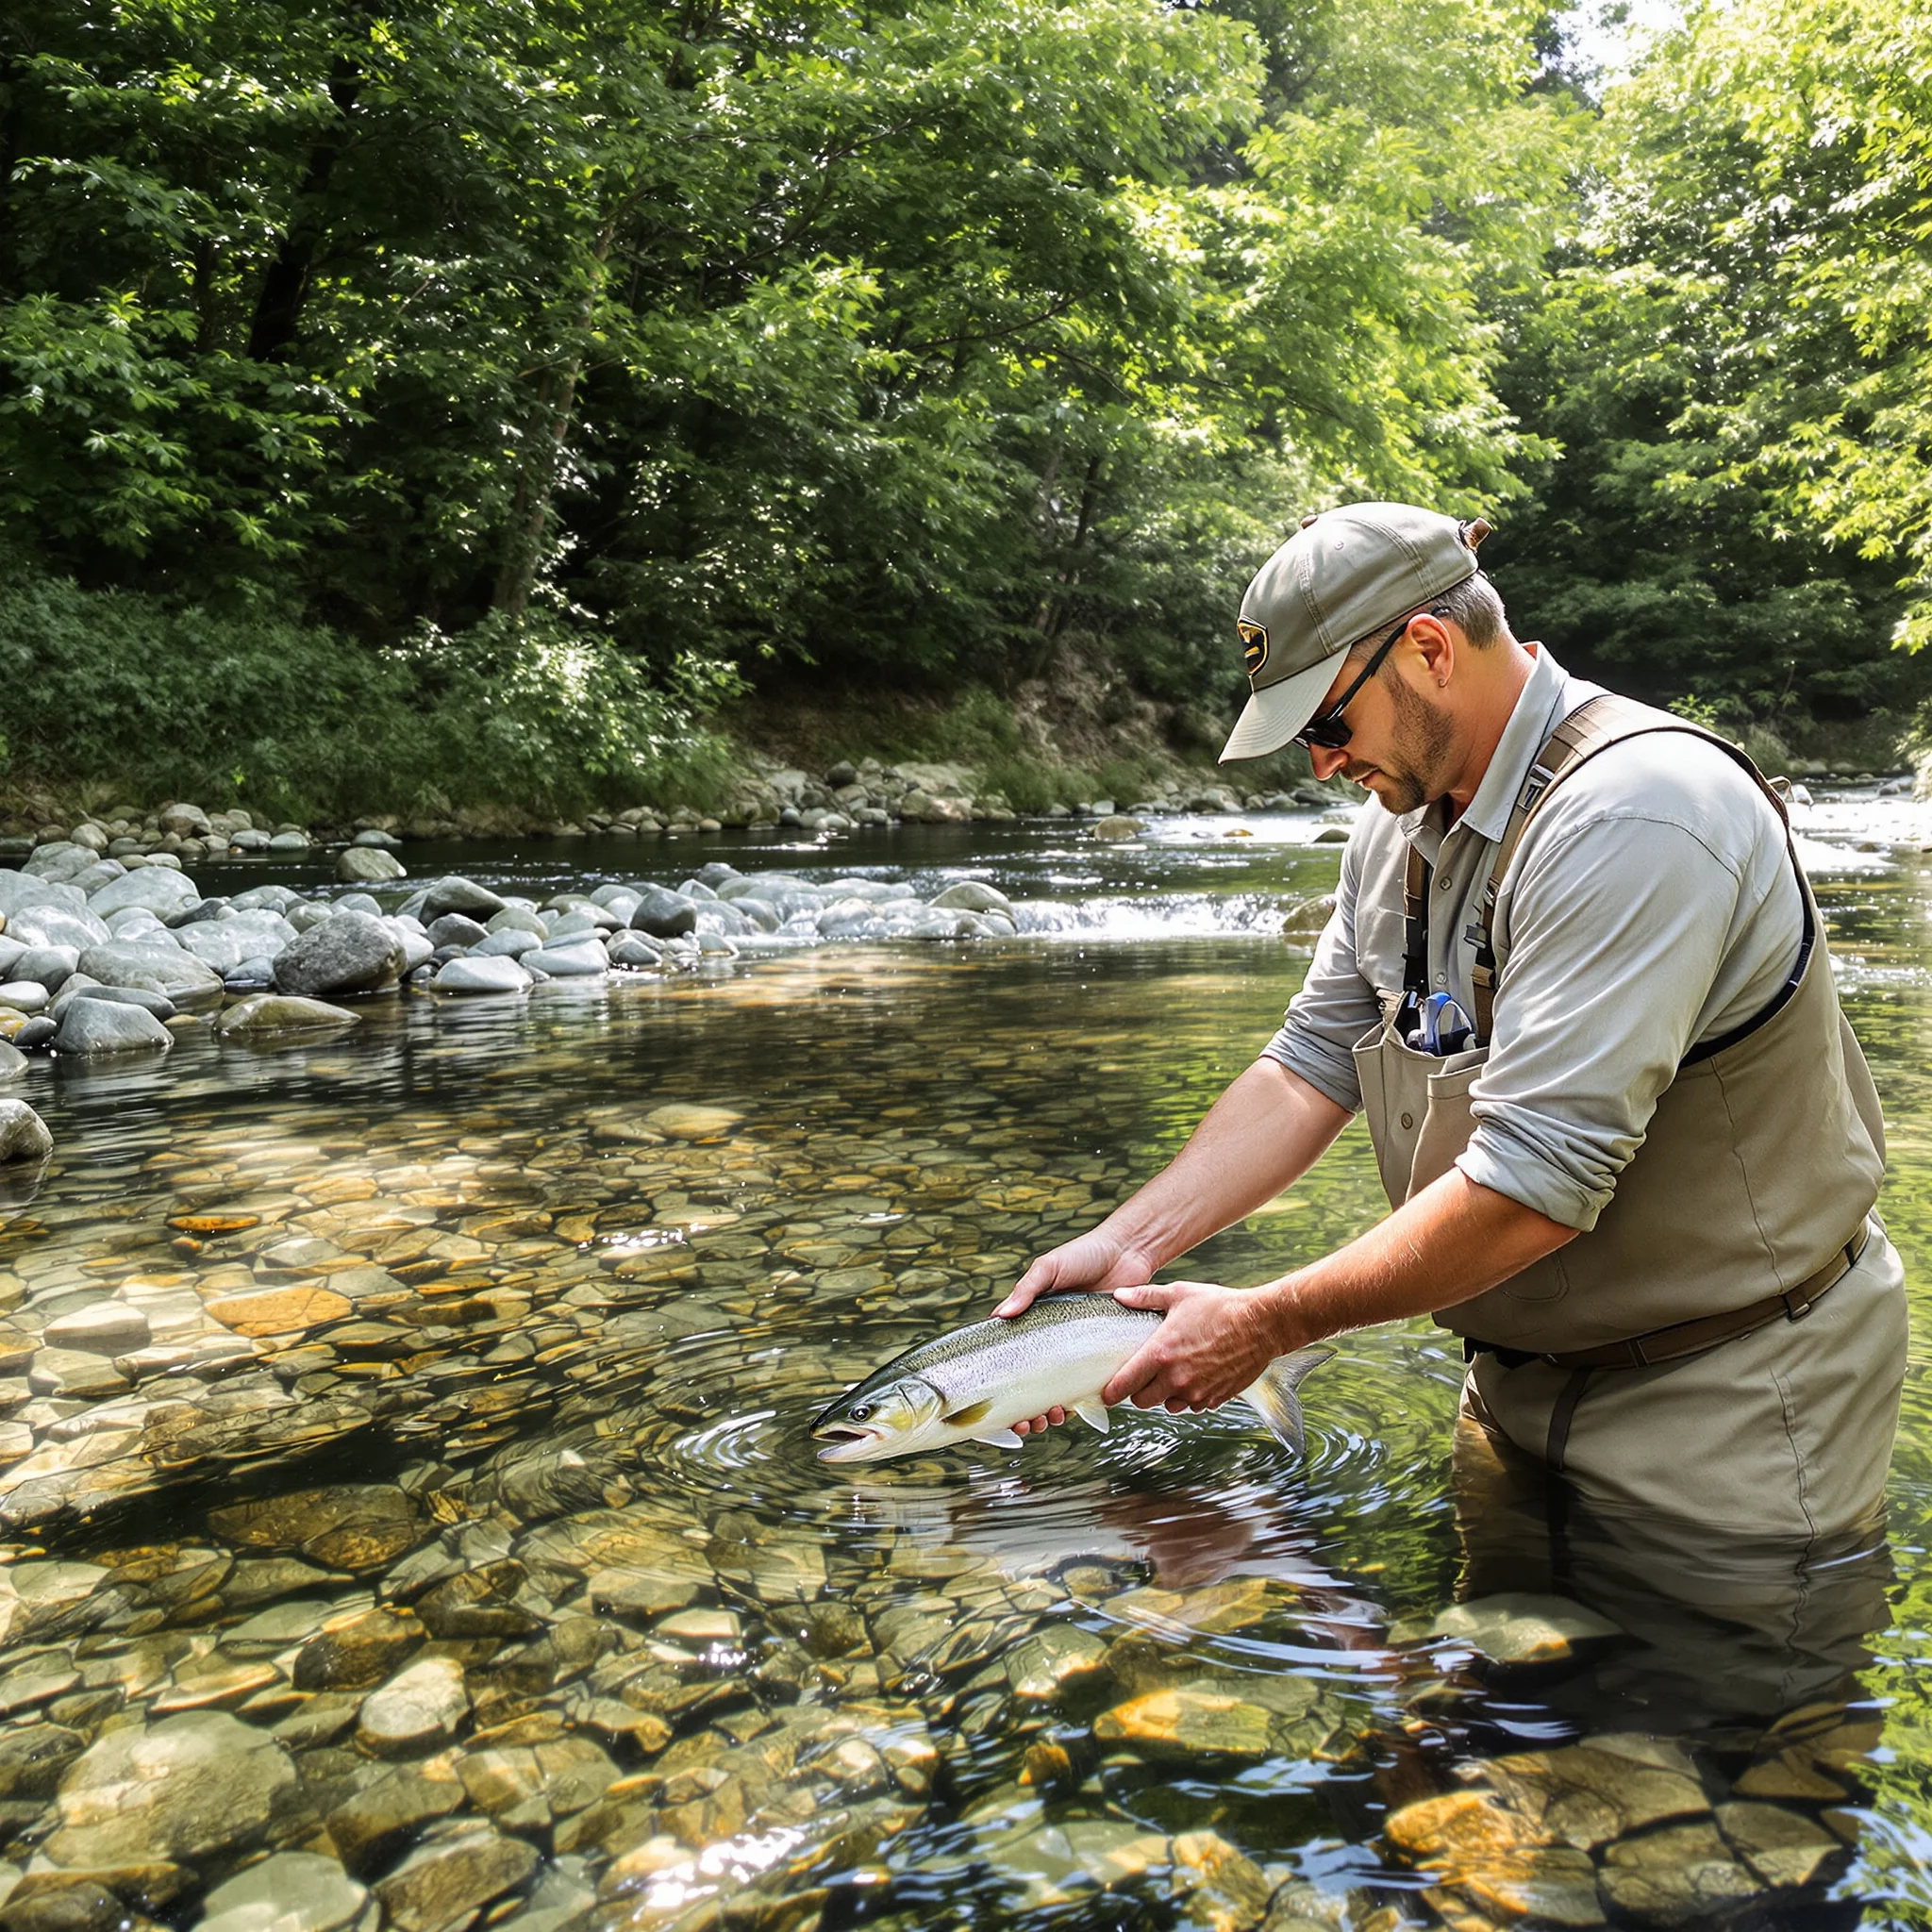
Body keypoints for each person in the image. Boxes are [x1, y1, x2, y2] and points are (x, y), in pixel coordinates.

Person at [995, 501, 1906, 1539]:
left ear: (1427, 649)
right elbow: (1308, 1066)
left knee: (1730, 1700)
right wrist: (1128, 1244)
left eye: (1326, 723)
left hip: (1731, 1397)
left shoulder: (1638, 812)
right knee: (1480, 1692)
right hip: (1516, 1380)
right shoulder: (1394, 832)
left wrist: (1261, 1322)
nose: (1320, 765)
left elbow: (1536, 1180)